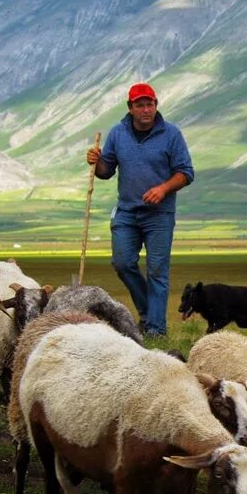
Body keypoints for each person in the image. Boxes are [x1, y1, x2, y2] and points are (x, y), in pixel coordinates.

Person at [86, 82, 194, 337]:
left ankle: (155, 330)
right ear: (130, 108)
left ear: (156, 105)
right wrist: (96, 161)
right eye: (140, 105)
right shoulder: (118, 133)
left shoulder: (171, 134)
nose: (146, 109)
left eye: (150, 104)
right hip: (127, 212)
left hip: (159, 215)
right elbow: (105, 172)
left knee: (157, 269)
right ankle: (148, 312)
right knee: (122, 263)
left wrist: (163, 189)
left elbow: (186, 173)